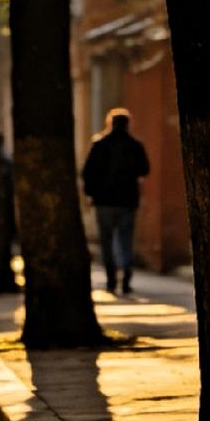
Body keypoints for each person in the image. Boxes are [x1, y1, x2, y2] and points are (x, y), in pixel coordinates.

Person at [81, 107, 150, 294]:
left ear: (110, 123)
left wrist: (90, 193)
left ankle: (111, 279)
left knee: (107, 241)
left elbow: (87, 172)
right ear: (127, 124)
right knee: (126, 239)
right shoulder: (135, 146)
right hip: (127, 201)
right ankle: (126, 274)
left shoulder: (99, 144)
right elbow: (145, 169)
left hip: (104, 201)